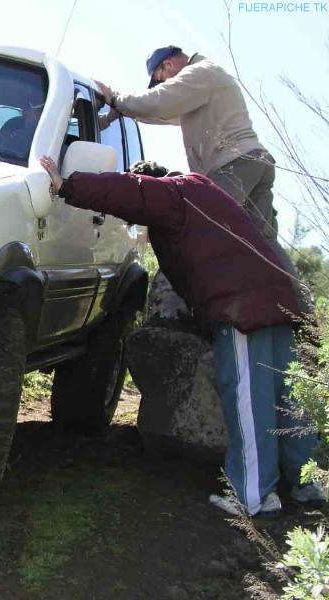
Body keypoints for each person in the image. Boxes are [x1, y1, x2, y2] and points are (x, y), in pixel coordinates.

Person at [39, 155, 324, 517]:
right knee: (288, 395)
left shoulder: (172, 192)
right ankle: (304, 482)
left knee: (249, 398)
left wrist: (68, 186)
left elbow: (133, 192)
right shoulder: (204, 191)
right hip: (275, 297)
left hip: (241, 305)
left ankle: (253, 497)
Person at [95, 45, 310, 313]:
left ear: (169, 65)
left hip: (234, 165)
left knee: (195, 229)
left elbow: (159, 101)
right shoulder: (205, 81)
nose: (161, 83)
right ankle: (303, 316)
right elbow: (159, 112)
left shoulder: (200, 72)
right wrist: (118, 110)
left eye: (159, 78)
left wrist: (114, 97)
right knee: (265, 241)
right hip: (254, 161)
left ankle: (181, 313)